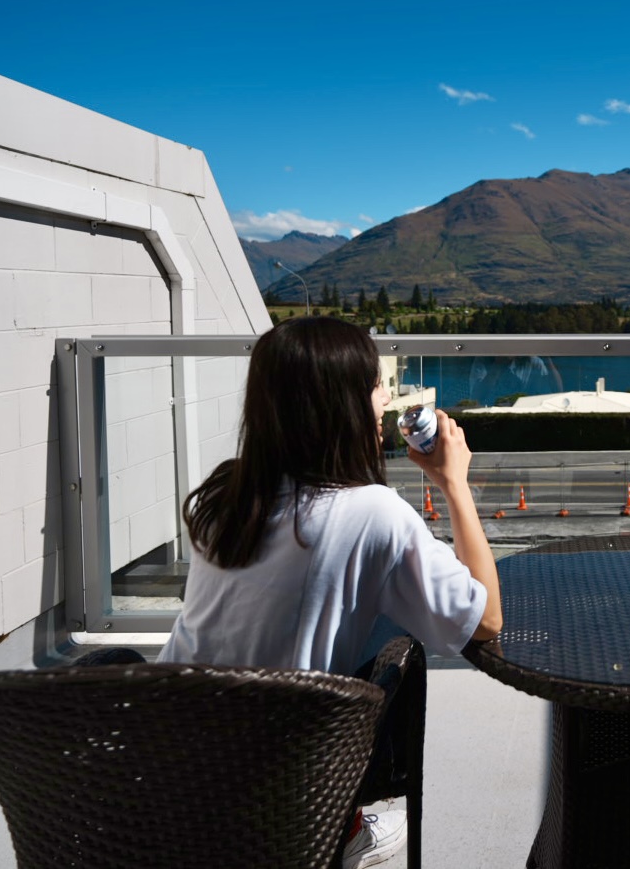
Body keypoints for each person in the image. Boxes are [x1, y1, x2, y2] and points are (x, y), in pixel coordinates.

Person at [158, 315, 502, 868]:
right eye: (374, 384)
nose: (385, 395)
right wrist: (454, 484)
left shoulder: (226, 493)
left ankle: (351, 820)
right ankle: (345, 827)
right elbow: (485, 622)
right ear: (341, 404)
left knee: (380, 604)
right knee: (400, 634)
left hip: (166, 768)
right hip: (283, 802)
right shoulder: (371, 512)